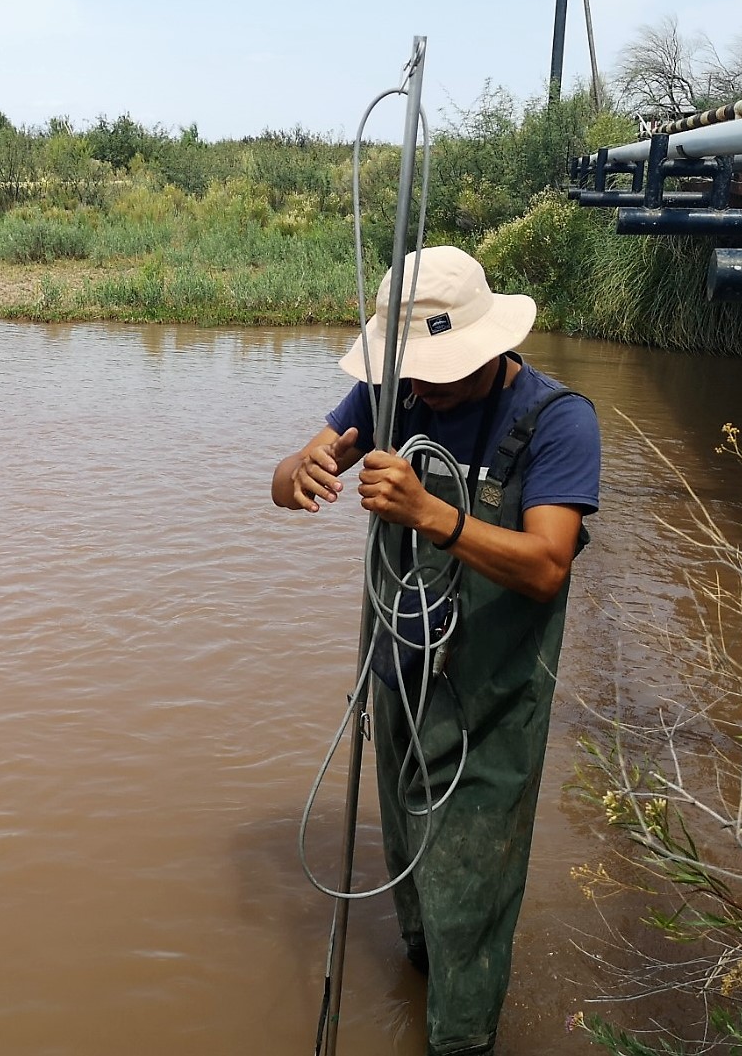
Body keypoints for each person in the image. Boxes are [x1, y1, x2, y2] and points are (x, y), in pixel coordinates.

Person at [270, 246, 600, 1056]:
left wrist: (433, 516)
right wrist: (299, 468)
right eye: (407, 371)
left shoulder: (557, 421)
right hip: (402, 675)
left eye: (435, 372)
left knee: (474, 891)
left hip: (493, 694)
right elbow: (281, 484)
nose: (418, 390)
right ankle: (421, 979)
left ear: (487, 349)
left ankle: (463, 1037)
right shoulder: (387, 393)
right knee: (413, 864)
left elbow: (549, 563)